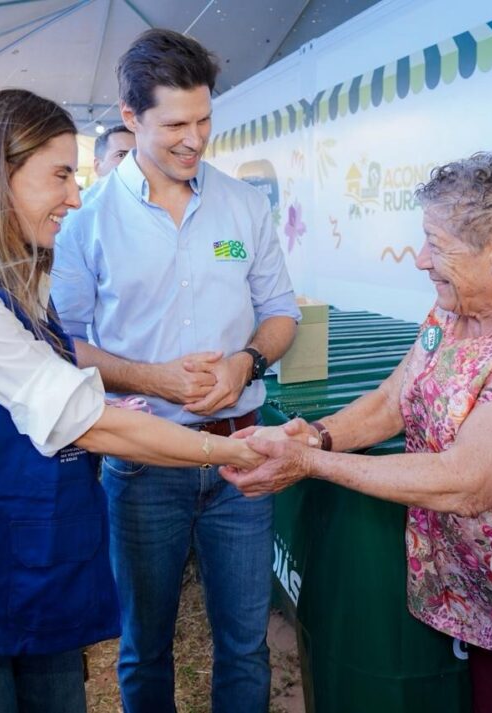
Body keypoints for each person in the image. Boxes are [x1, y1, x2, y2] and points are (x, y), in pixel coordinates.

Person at [0, 88, 265, 713]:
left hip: (27, 579)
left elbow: (54, 370)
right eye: (59, 177)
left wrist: (140, 386)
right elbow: (91, 426)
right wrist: (233, 448)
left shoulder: (22, 274)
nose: (75, 197)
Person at [222, 153, 492, 713]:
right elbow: (391, 401)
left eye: (437, 243)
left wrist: (309, 465)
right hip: (466, 589)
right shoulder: (452, 312)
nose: (420, 259)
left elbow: (467, 481)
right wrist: (314, 437)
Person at [52, 29, 300, 713]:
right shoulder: (88, 221)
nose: (196, 139)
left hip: (241, 456)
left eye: (205, 119)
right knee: (145, 644)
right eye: (176, 125)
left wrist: (248, 358)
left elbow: (281, 312)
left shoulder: (244, 205)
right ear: (130, 118)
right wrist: (152, 378)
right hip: (142, 466)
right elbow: (63, 344)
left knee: (244, 643)